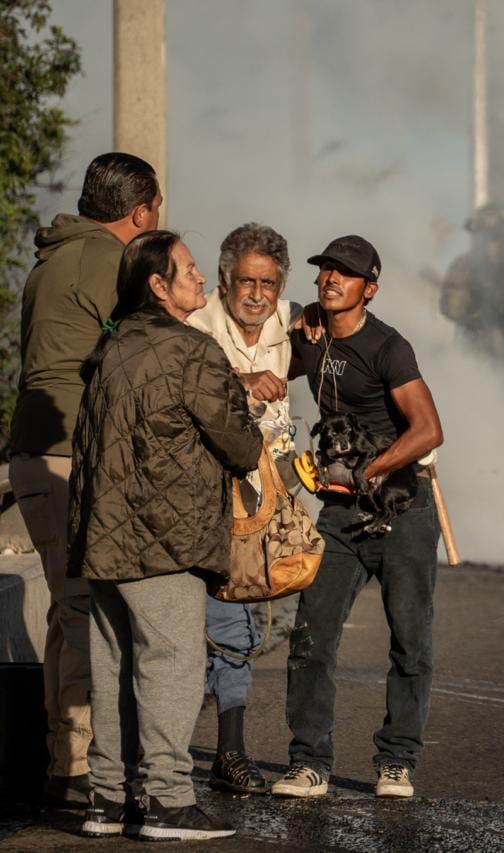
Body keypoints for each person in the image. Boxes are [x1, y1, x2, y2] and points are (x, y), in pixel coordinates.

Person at [69, 230, 261, 841]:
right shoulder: (190, 349)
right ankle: (168, 802)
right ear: (159, 285)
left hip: (104, 541)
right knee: (172, 665)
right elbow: (240, 445)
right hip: (165, 541)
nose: (203, 279)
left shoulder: (110, 348)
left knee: (113, 668)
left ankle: (107, 800)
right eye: (190, 269)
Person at [9, 152, 161, 807]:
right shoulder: (109, 259)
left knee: (66, 607)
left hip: (37, 453)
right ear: (140, 211)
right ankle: (86, 773)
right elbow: (148, 349)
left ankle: (65, 764)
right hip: (72, 452)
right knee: (88, 612)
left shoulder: (53, 259)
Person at [273, 235, 444, 800]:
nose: (331, 278)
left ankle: (397, 762)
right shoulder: (310, 336)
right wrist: (294, 328)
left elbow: (428, 430)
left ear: (369, 288)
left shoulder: (388, 347)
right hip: (340, 513)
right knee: (311, 636)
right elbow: (261, 357)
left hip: (401, 505)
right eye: (326, 269)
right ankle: (309, 763)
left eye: (345, 273)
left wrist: (369, 471)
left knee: (410, 642)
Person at [186, 222, 298, 795]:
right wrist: (241, 381)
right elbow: (177, 379)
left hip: (259, 506)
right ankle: (180, 759)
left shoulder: (291, 325)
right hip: (200, 500)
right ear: (224, 280)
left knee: (238, 621)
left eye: (268, 284)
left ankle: (226, 752)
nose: (257, 295)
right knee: (202, 628)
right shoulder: (194, 325)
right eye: (247, 282)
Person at [438, 203, 504, 356]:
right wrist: (473, 309)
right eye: (487, 237)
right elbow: (450, 308)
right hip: (475, 344)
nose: (492, 244)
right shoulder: (464, 266)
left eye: (497, 237)